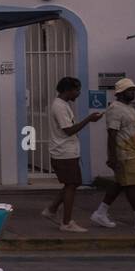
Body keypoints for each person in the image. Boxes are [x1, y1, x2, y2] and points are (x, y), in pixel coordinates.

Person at [91, 78, 135, 230]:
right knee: (133, 186)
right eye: (129, 90)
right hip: (125, 153)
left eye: (133, 90)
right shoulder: (115, 109)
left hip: (134, 151)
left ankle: (100, 212)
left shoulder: (130, 108)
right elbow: (112, 134)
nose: (133, 93)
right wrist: (112, 156)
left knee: (120, 184)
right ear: (120, 93)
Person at [40, 76, 103, 232]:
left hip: (66, 151)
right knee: (71, 185)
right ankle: (66, 222)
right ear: (68, 90)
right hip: (64, 152)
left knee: (72, 184)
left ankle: (52, 209)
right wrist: (88, 119)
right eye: (77, 90)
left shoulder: (61, 105)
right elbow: (68, 130)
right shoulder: (60, 107)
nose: (79, 93)